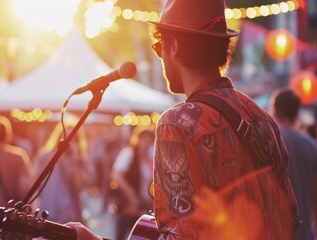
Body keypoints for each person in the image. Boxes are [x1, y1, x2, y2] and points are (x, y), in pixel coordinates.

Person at [68, 0, 301, 239]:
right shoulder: (263, 119)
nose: (159, 56)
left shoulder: (177, 123)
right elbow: (292, 217)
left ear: (176, 45)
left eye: (159, 47)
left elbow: (179, 235)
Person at [270, 88, 317, 240]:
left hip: (275, 231)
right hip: (303, 232)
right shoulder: (312, 145)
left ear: (275, 110)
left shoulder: (270, 141)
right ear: (297, 111)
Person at [32, 121, 90, 224]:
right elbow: (34, 181)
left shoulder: (79, 160)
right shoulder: (45, 156)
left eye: (73, 139)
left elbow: (80, 185)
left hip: (69, 213)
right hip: (48, 208)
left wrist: (76, 160)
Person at [110, 126, 155, 240]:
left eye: (149, 140)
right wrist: (131, 194)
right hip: (128, 204)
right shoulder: (129, 153)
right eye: (143, 139)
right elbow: (116, 176)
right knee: (122, 234)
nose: (146, 143)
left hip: (144, 204)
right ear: (138, 139)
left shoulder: (150, 157)